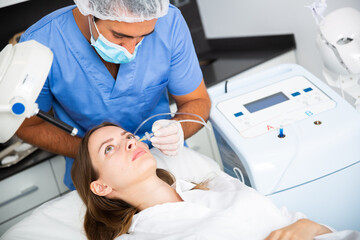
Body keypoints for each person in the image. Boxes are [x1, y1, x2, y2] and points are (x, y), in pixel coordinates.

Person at [16, 0, 211, 190]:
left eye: (144, 36)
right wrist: (98, 155)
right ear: (89, 11)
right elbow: (28, 126)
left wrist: (179, 129)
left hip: (167, 160)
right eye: (119, 36)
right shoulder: (42, 43)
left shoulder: (169, 22)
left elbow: (197, 101)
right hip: (98, 172)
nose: (131, 51)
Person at [71, 122, 332, 240]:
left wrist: (306, 226)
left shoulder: (215, 184)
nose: (128, 142)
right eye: (109, 148)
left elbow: (319, 228)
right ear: (101, 186)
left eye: (127, 136)